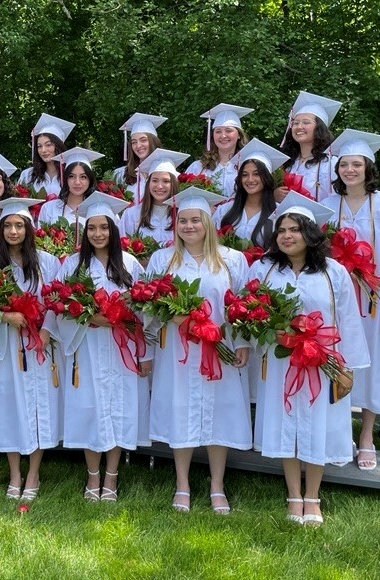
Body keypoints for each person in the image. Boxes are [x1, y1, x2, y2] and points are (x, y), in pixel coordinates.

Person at [248, 192, 368, 526]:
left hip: (322, 361)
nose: (287, 235)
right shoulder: (265, 269)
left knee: (319, 425)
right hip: (282, 359)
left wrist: (347, 364)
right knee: (286, 422)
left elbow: (348, 319)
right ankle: (293, 495)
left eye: (295, 230)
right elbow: (249, 310)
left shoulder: (334, 272)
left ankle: (312, 496)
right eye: (282, 230)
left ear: (310, 234)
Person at [147, 187, 251, 515]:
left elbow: (244, 305)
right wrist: (179, 317)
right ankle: (182, 484)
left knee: (219, 414)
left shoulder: (232, 260)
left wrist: (244, 342)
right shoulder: (161, 260)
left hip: (221, 349)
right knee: (181, 412)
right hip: (179, 351)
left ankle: (216, 485)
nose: (189, 226)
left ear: (208, 223)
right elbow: (149, 304)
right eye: (183, 221)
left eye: (196, 220)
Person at [52, 192, 152, 502]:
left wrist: (145, 353)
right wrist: (90, 316)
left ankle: (112, 476)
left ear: (114, 230)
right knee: (90, 408)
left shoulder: (131, 265)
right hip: (88, 347)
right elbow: (59, 305)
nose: (98, 234)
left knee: (119, 409)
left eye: (104, 227)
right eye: (92, 228)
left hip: (122, 348)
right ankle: (92, 475)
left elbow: (146, 312)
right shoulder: (72, 265)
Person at [0, 198, 61, 500]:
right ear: (0, 231)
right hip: (6, 346)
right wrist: (4, 315)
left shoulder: (49, 263)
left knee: (39, 406)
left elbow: (57, 302)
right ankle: (15, 472)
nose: (14, 231)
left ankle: (34, 473)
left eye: (19, 225)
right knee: (9, 406)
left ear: (29, 229)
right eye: (8, 226)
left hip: (39, 345)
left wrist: (47, 331)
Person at [322, 129, 380, 472]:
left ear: (368, 168)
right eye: (344, 164)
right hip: (336, 297)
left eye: (356, 164)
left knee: (372, 362)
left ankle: (367, 435)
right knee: (338, 358)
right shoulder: (328, 206)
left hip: (374, 298)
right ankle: (337, 431)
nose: (350, 170)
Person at [213, 139, 288, 248]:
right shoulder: (223, 211)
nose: (250, 179)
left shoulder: (279, 213)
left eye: (256, 174)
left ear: (267, 177)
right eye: (244, 175)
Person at [276, 91, 341, 202]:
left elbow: (338, 200)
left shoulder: (331, 164)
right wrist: (275, 195)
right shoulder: (287, 163)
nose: (299, 127)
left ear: (319, 128)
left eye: (306, 122)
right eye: (295, 123)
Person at [120, 148, 189, 246]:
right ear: (148, 183)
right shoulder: (132, 215)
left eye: (166, 181)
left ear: (173, 184)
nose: (159, 186)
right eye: (155, 180)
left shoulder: (183, 214)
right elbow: (123, 250)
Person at [185, 104, 253, 198]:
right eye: (218, 131)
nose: (223, 136)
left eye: (228, 131)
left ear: (239, 135)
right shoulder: (198, 167)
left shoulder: (249, 166)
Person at [37, 147, 103, 229]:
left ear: (90, 179)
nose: (77, 182)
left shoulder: (101, 209)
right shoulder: (49, 209)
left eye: (83, 177)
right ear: (65, 179)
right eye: (71, 176)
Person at [112, 113, 167, 203]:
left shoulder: (167, 172)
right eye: (134, 142)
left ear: (153, 141)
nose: (138, 146)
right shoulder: (121, 175)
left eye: (143, 140)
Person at [18, 113, 74, 199]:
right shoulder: (28, 175)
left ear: (58, 146)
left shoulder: (70, 173)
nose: (43, 150)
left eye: (48, 145)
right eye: (39, 146)